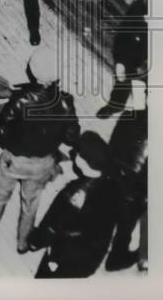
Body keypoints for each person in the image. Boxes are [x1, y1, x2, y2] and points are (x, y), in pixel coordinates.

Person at [0, 46, 80, 252]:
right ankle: (23, 242)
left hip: (13, 160)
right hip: (43, 163)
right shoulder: (66, 102)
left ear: (32, 70)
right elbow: (72, 136)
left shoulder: (21, 99)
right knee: (31, 203)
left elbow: (2, 130)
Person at [28, 131, 119, 278]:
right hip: (75, 255)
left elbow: (64, 226)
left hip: (68, 260)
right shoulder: (103, 184)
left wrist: (54, 258)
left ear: (83, 162)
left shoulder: (82, 196)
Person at [104, 78, 147, 272]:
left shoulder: (130, 115)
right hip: (136, 193)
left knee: (104, 213)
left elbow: (113, 145)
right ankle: (116, 258)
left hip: (113, 176)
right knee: (125, 228)